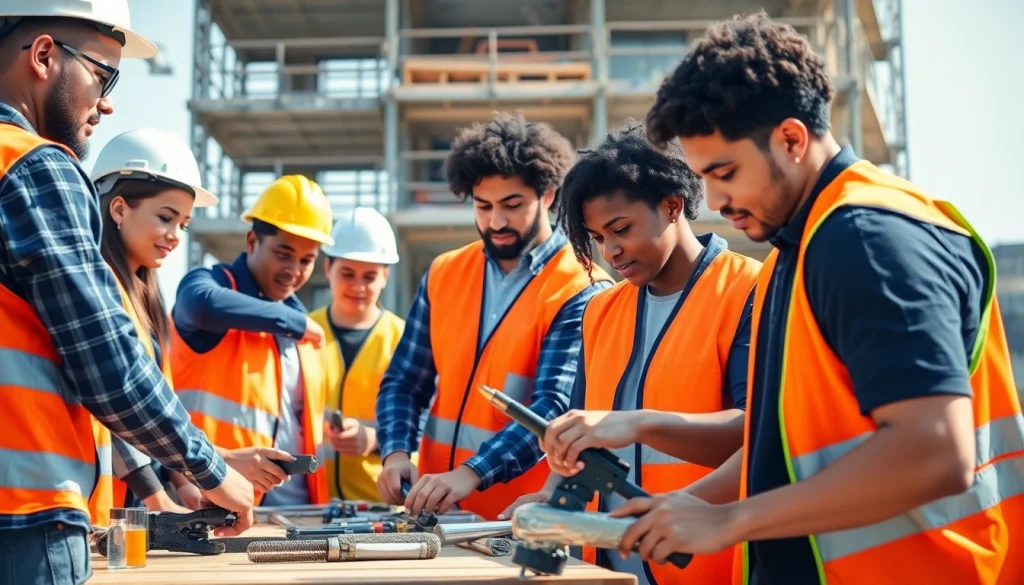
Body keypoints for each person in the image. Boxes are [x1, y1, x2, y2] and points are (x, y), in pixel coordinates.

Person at [611, 12, 1024, 585]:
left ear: (791, 139)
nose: (715, 200)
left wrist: (731, 521)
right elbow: (782, 442)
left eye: (725, 172)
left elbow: (934, 451)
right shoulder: (799, 246)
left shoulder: (866, 240)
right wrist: (690, 506)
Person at [0, 3, 254, 583]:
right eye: (103, 76)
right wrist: (210, 469)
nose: (107, 103)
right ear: (43, 56)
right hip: (23, 518)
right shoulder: (34, 166)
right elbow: (107, 363)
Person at [500, 122, 760, 585]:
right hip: (605, 572)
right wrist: (552, 494)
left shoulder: (749, 290)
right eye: (598, 238)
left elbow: (758, 433)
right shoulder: (599, 310)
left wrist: (639, 422)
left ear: (672, 205)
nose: (611, 251)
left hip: (706, 568)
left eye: (620, 229)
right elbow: (581, 442)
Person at [375, 112, 614, 521]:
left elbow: (553, 408)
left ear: (548, 195)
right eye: (482, 206)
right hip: (432, 513)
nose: (496, 221)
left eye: (512, 205)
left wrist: (470, 474)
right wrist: (395, 453)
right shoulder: (444, 272)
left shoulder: (582, 289)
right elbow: (404, 380)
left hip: (516, 519)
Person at [169, 174, 334, 506]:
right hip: (212, 501)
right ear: (251, 241)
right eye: (283, 254)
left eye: (306, 260)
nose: (294, 270)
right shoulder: (211, 289)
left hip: (297, 508)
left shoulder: (302, 331)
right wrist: (291, 321)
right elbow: (199, 304)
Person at [91, 128, 221, 516]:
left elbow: (156, 408)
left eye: (184, 224)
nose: (176, 235)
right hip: (99, 506)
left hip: (119, 510)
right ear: (118, 209)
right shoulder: (96, 291)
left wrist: (182, 482)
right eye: (166, 218)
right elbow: (111, 399)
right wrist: (156, 496)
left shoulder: (145, 305)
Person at [311, 207, 408, 503]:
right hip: (311, 502)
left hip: (382, 505)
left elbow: (424, 420)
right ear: (328, 269)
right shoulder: (303, 333)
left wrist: (377, 440)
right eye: (347, 274)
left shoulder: (404, 339)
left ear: (385, 277)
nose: (358, 286)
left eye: (369, 276)